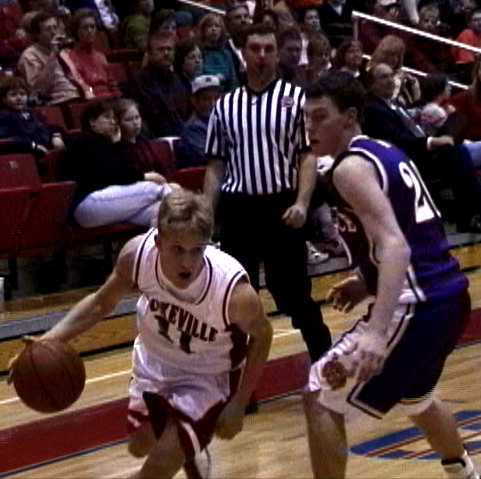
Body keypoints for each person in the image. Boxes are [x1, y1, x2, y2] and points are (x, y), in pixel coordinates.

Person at [8, 186, 273, 479]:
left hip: (208, 376)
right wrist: (45, 342)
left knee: (157, 468)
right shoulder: (137, 255)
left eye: (196, 250)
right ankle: (189, 445)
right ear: (158, 242)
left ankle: (184, 440)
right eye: (177, 249)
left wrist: (240, 402)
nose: (187, 262)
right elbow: (99, 305)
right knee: (139, 446)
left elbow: (263, 335)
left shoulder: (232, 291)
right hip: (153, 362)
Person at [302, 71, 479, 479]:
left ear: (349, 117)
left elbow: (396, 245)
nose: (311, 126)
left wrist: (376, 333)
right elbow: (413, 235)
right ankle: (465, 474)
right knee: (418, 399)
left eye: (320, 116)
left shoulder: (349, 169)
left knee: (318, 390)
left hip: (417, 305)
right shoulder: (385, 150)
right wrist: (367, 281)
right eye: (307, 117)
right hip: (449, 296)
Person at [204, 23, 332, 362]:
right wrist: (206, 215)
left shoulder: (296, 99)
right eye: (255, 48)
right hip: (238, 211)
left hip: (282, 207)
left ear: (277, 54)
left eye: (268, 49)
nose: (261, 56)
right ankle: (235, 378)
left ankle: (325, 363)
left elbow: (307, 156)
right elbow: (215, 166)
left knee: (294, 296)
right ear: (243, 53)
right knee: (234, 299)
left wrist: (302, 203)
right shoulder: (224, 105)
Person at [63, 100, 170, 228]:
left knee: (160, 212)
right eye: (107, 117)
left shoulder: (107, 143)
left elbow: (120, 170)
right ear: (92, 122)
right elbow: (115, 174)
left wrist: (116, 144)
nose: (113, 122)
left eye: (114, 118)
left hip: (109, 201)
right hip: (86, 203)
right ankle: (182, 201)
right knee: (156, 188)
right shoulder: (84, 142)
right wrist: (145, 176)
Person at [17, 11, 83, 105]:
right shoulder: (29, 56)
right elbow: (38, 90)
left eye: (55, 27)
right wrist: (53, 55)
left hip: (80, 95)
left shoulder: (63, 51)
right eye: (48, 29)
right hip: (58, 102)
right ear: (37, 35)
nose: (53, 32)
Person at [65, 8, 120, 98]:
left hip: (110, 99)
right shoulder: (71, 58)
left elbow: (112, 85)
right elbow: (81, 88)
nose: (90, 30)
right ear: (76, 31)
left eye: (92, 27)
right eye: (85, 27)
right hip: (91, 100)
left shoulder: (100, 56)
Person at [177, 74, 222, 169]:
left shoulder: (221, 121)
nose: (213, 104)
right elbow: (211, 157)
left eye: (216, 98)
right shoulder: (193, 128)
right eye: (206, 99)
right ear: (194, 101)